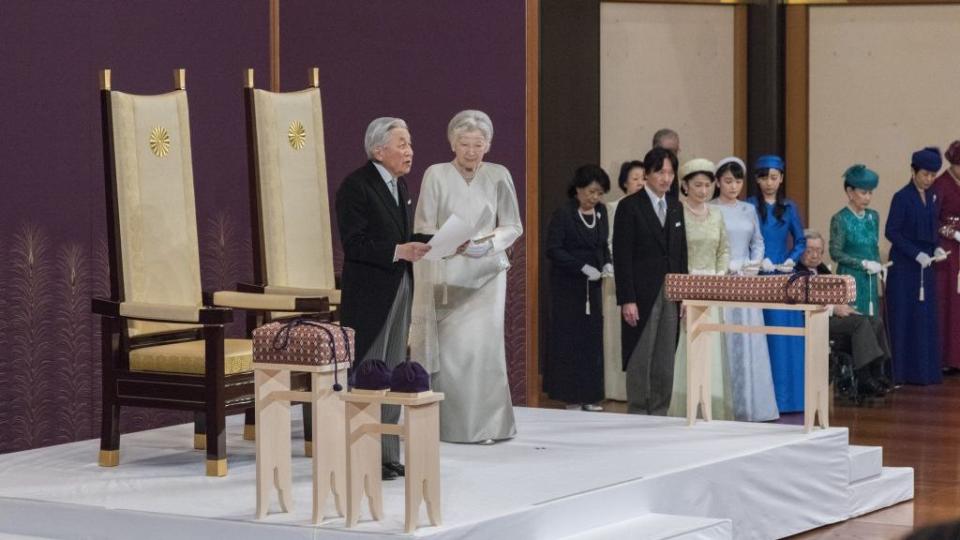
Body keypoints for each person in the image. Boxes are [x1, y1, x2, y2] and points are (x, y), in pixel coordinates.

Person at [409, 110, 522, 444]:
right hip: (448, 274)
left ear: (487, 145)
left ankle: (490, 425)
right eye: (464, 144)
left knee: (485, 349)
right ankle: (448, 425)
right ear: (452, 144)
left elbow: (513, 224)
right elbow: (424, 225)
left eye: (478, 144)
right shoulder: (436, 174)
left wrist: (487, 244)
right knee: (453, 352)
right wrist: (451, 242)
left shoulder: (499, 175)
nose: (471, 151)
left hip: (488, 272)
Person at [335, 117, 431, 480]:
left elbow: (402, 236)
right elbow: (355, 244)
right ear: (379, 150)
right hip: (371, 295)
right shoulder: (356, 187)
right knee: (369, 372)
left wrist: (439, 240)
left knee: (392, 372)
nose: (409, 151)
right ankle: (362, 452)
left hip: (400, 286)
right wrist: (398, 250)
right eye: (402, 144)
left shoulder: (399, 184)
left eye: (409, 143)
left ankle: (387, 454)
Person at [613, 147, 687, 415]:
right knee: (641, 355)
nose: (666, 178)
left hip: (671, 292)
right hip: (641, 293)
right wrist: (627, 299)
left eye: (670, 172)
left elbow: (681, 254)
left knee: (666, 357)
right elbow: (622, 256)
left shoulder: (677, 207)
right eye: (660, 172)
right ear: (647, 174)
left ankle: (660, 411)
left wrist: (684, 294)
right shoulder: (629, 207)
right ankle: (637, 411)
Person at [710, 157, 779, 422]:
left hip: (746, 281)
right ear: (717, 182)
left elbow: (758, 242)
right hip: (723, 279)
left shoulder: (748, 209)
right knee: (725, 340)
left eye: (738, 181)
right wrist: (728, 265)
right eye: (728, 181)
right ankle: (725, 404)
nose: (733, 187)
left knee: (749, 340)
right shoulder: (711, 208)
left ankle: (753, 405)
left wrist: (753, 262)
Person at [667, 158, 733, 420]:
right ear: (685, 186)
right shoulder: (677, 213)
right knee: (688, 346)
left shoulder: (716, 214)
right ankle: (686, 404)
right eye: (697, 185)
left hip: (712, 287)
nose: (703, 190)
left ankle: (712, 404)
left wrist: (719, 274)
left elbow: (724, 249)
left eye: (707, 185)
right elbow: (674, 254)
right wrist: (684, 288)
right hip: (687, 287)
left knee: (712, 347)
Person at [545, 165, 612, 411]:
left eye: (599, 193)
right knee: (569, 339)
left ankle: (590, 395)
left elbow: (603, 244)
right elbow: (553, 249)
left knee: (591, 340)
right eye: (591, 192)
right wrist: (581, 267)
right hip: (568, 287)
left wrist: (607, 262)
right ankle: (571, 396)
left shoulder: (602, 212)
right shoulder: (563, 214)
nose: (595, 198)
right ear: (578, 189)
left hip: (593, 287)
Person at [796, 230, 892, 396]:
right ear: (801, 250)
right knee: (859, 323)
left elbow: (834, 294)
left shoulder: (823, 269)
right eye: (809, 250)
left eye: (819, 250)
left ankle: (877, 373)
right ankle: (864, 378)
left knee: (874, 321)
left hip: (831, 315)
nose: (814, 255)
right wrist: (834, 309)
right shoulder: (795, 272)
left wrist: (843, 306)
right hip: (813, 319)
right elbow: (802, 303)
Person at [746, 155, 807, 412]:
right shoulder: (748, 206)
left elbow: (801, 240)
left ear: (781, 178)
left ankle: (789, 399)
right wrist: (756, 261)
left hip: (782, 277)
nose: (769, 183)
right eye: (764, 177)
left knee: (785, 338)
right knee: (763, 336)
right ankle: (762, 400)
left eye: (774, 177)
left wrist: (792, 260)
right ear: (757, 180)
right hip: (757, 276)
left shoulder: (789, 207)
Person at [886, 147, 945, 385]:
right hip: (904, 267)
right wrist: (915, 252)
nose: (929, 179)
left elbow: (933, 228)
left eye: (933, 175)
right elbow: (891, 231)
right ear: (913, 171)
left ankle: (924, 372)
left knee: (925, 318)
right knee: (905, 317)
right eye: (925, 174)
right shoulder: (901, 197)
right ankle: (902, 372)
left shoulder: (932, 197)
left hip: (925, 266)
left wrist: (936, 248)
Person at [602, 160, 644, 401]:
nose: (640, 182)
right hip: (616, 276)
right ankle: (615, 389)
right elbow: (608, 241)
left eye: (643, 178)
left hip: (641, 278)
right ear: (624, 182)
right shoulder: (613, 207)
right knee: (616, 335)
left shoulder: (650, 207)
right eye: (635, 177)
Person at [829, 164, 883, 317]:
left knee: (872, 320)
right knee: (855, 321)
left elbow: (874, 246)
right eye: (863, 192)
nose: (867, 197)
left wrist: (878, 264)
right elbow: (835, 253)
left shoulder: (874, 216)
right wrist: (862, 263)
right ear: (850, 192)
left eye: (870, 193)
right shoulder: (840, 218)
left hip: (870, 278)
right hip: (850, 278)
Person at [933, 141, 960, 374]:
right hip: (948, 251)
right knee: (949, 299)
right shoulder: (941, 185)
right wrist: (953, 233)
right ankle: (947, 357)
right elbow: (932, 219)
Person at [652, 128, 680, 198]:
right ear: (655, 150)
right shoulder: (646, 172)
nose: (672, 155)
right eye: (668, 151)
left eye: (675, 151)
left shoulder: (673, 169)